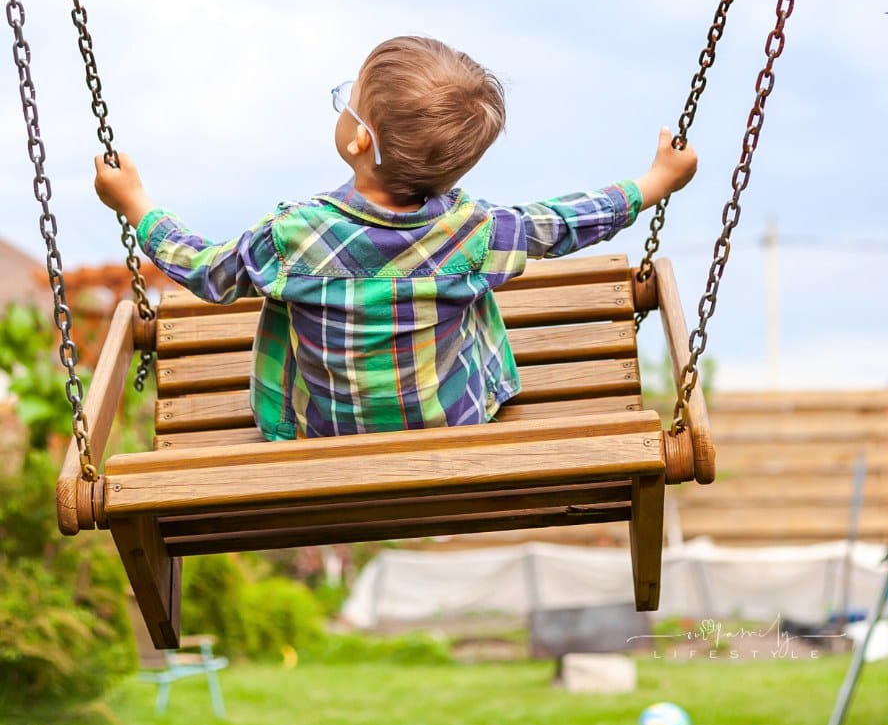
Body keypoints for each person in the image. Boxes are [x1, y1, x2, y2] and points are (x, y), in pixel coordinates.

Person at [94, 35, 697, 441]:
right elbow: (563, 222)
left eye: (347, 102)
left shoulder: (295, 237)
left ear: (360, 140)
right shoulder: (475, 234)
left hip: (320, 432)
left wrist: (136, 203)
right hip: (450, 423)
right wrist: (654, 182)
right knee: (476, 292)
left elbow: (206, 270)